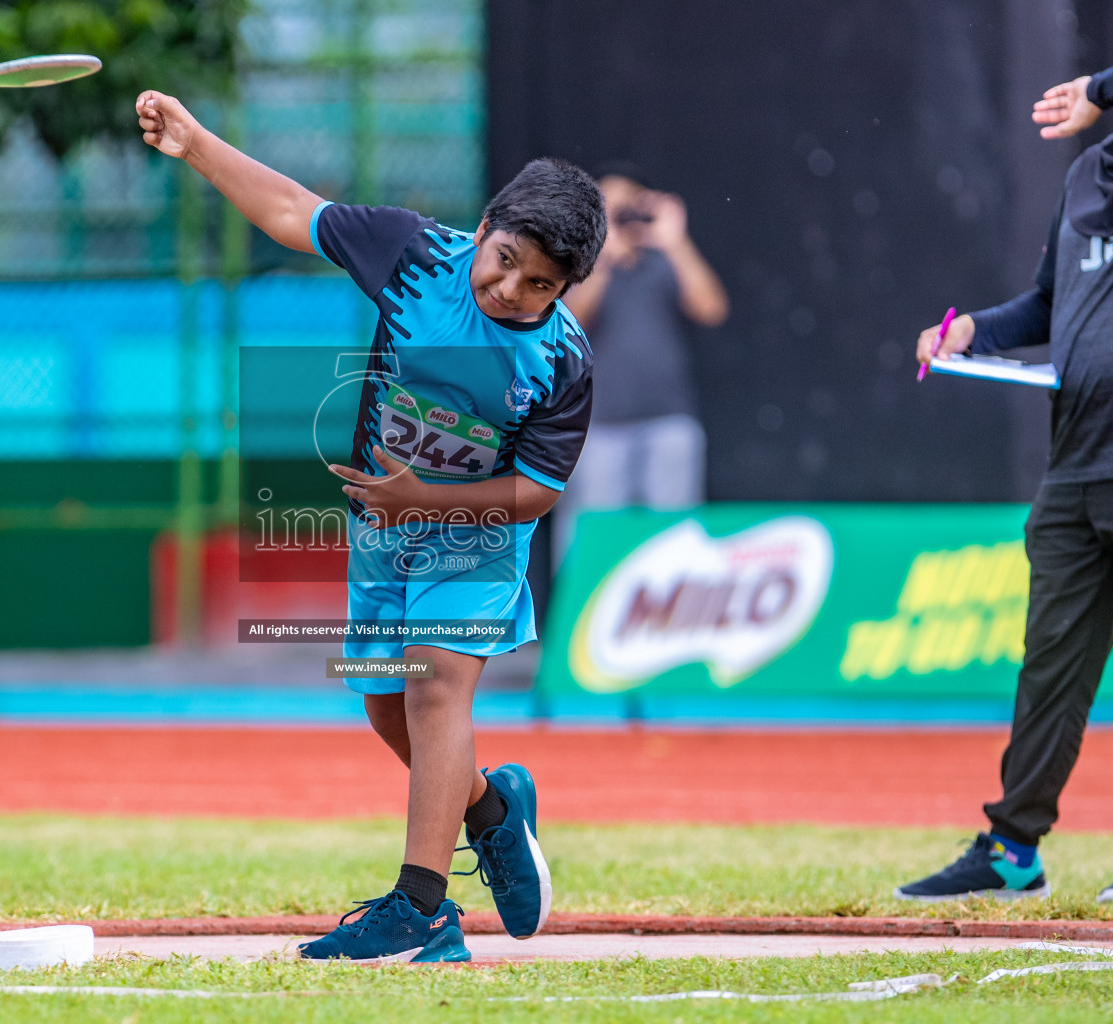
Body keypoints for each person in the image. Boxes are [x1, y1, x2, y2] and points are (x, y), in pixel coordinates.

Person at [135, 92, 605, 959]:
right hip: (380, 531)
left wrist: (422, 500)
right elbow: (289, 210)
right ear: (486, 225)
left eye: (539, 283)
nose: (510, 290)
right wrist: (197, 143)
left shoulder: (563, 360)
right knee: (389, 714)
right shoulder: (416, 254)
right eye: (504, 261)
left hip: (475, 536)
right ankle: (494, 812)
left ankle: (422, 907)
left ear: (567, 287)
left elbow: (537, 490)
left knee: (434, 689)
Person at [896, 34, 1113, 905]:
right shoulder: (1088, 178)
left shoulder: (1109, 99)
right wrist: (973, 333)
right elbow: (1048, 302)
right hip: (1078, 464)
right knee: (1050, 668)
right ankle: (1013, 850)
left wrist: (1097, 89)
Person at [555, 170, 728, 559]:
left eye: (626, 208)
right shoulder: (579, 265)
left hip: (668, 421)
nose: (620, 219)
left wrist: (676, 241)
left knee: (675, 539)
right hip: (599, 426)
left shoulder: (662, 260)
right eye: (609, 211)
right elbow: (566, 325)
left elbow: (712, 308)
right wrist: (601, 260)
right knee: (590, 538)